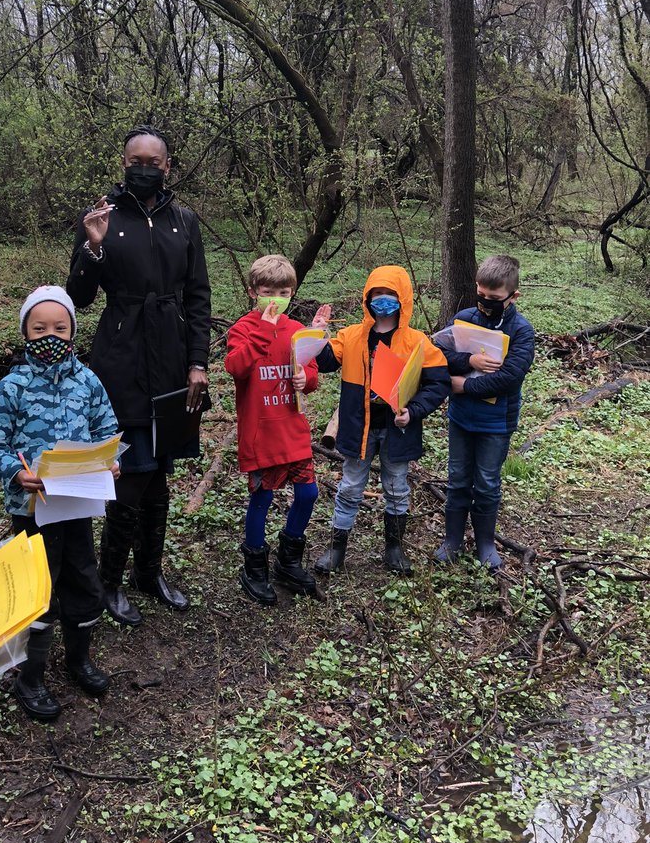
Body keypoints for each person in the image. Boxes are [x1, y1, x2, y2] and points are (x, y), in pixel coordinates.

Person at [66, 124, 212, 627]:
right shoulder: (101, 218)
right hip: (121, 356)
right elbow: (80, 297)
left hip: (172, 358)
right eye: (136, 160)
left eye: (155, 160)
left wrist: (199, 363)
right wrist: (93, 247)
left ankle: (148, 573)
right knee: (130, 473)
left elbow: (198, 296)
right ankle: (108, 582)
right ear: (124, 163)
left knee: (161, 474)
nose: (145, 167)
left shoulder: (184, 220)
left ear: (168, 166)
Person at [0, 285, 119, 722]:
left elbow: (107, 429)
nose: (50, 335)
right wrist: (17, 473)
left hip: (77, 505)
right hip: (32, 511)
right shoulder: (12, 387)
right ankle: (30, 676)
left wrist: (108, 464)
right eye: (39, 328)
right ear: (25, 332)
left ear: (73, 330)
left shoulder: (88, 381)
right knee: (38, 591)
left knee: (84, 581)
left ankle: (78, 659)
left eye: (60, 327)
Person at [313, 266, 450, 575]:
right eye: (377, 295)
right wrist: (319, 333)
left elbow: (438, 383)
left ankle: (394, 549)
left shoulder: (418, 342)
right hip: (358, 427)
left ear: (403, 299)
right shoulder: (350, 336)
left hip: (398, 430)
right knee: (350, 487)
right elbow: (323, 362)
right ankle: (336, 550)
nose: (383, 301)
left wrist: (413, 412)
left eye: (390, 295)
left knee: (397, 487)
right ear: (367, 298)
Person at [224, 255, 321, 605]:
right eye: (268, 291)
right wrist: (264, 329)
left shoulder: (296, 329)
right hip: (261, 433)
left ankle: (288, 560)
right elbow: (236, 367)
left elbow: (310, 375)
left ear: (292, 292)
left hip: (293, 429)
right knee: (262, 499)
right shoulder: (242, 329)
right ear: (253, 292)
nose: (275, 298)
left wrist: (304, 378)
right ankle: (254, 565)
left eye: (283, 292)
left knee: (308, 494)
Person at [432, 255, 535, 570]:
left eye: (495, 298)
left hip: (496, 423)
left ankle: (486, 543)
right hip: (461, 418)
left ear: (512, 296)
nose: (486, 302)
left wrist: (464, 386)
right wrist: (469, 362)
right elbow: (440, 352)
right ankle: (452, 540)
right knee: (458, 477)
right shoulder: (465, 318)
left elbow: (509, 377)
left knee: (487, 481)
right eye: (482, 295)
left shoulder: (521, 331)